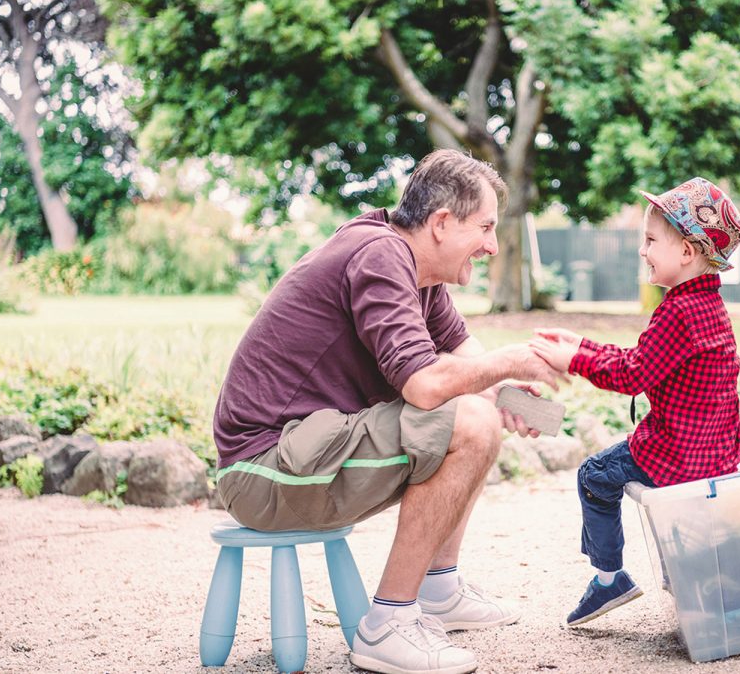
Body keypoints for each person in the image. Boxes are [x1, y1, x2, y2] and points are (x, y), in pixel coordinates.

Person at [212, 149, 564, 674]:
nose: (493, 245)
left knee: (478, 416)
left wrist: (512, 395)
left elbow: (469, 365)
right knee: (467, 422)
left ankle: (438, 590)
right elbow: (425, 387)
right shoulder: (380, 256)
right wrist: (509, 363)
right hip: (264, 470)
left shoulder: (418, 273)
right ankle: (388, 624)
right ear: (442, 223)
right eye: (485, 227)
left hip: (303, 453)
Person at [530, 177, 740, 627]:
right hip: (716, 454)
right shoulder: (707, 306)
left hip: (674, 453)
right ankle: (691, 581)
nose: (643, 250)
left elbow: (632, 375)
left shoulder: (677, 312)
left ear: (687, 252)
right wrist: (582, 344)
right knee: (680, 520)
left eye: (650, 240)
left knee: (595, 475)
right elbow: (642, 359)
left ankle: (610, 580)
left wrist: (573, 361)